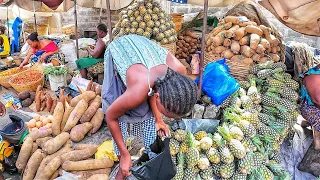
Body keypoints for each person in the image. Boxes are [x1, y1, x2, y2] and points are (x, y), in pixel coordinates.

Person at [102, 34, 198, 179]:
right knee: (117, 101)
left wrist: (159, 120)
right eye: (166, 114)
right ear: (157, 95)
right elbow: (110, 116)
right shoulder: (139, 90)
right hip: (121, 48)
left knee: (145, 109)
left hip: (143, 53)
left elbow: (155, 90)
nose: (165, 116)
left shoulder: (180, 73)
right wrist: (124, 154)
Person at [300, 64, 320, 150]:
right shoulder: (313, 77)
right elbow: (317, 100)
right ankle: (317, 142)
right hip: (310, 108)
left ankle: (308, 123)